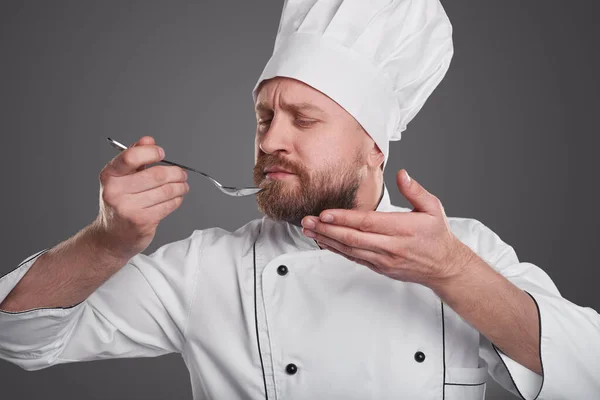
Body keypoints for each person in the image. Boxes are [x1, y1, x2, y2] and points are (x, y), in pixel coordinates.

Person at [1, 0, 599, 399]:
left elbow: (589, 372)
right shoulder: (206, 270)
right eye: (264, 117)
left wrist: (451, 272)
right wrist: (107, 242)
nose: (270, 140)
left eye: (303, 120)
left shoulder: (464, 249)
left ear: (374, 145)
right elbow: (16, 340)